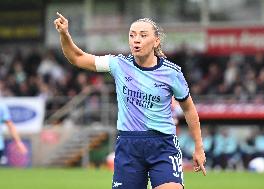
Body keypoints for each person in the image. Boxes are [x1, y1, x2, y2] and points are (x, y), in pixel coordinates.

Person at [54, 12, 206, 189]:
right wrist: (64, 34)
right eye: (132, 35)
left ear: (156, 41)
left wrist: (198, 147)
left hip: (163, 145)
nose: (136, 40)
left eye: (143, 35)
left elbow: (188, 109)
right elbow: (77, 57)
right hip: (129, 145)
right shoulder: (118, 65)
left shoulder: (172, 73)